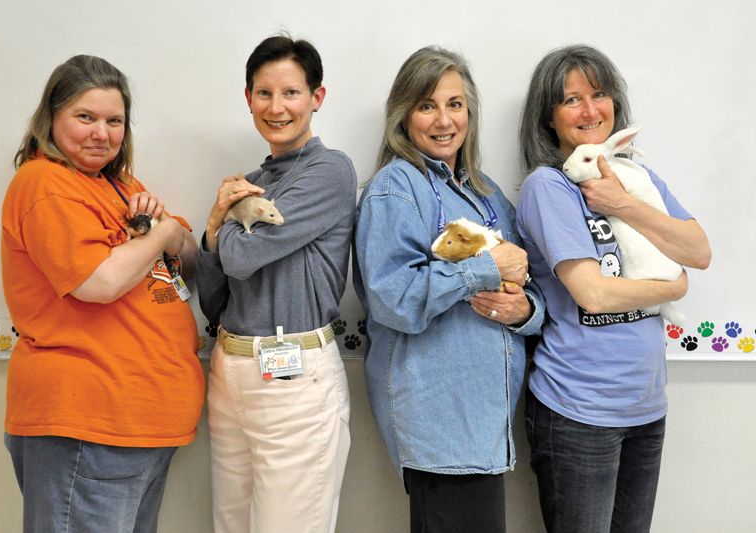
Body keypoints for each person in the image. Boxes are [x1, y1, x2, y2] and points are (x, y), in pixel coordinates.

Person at [1, 55, 204, 533]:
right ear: (52, 118)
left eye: (115, 121)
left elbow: (190, 264)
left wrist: (166, 235)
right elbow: (100, 282)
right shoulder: (45, 183)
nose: (102, 133)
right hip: (86, 421)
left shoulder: (117, 184)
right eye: (85, 117)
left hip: (139, 420)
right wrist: (161, 232)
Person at [516, 44, 712, 533]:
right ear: (549, 119)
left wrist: (624, 205)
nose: (589, 110)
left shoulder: (639, 178)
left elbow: (700, 252)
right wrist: (672, 286)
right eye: (571, 100)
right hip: (577, 410)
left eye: (598, 95)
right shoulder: (549, 187)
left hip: (647, 405)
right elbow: (594, 294)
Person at [353, 46, 545, 533]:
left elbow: (531, 289)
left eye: (455, 104)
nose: (444, 120)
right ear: (403, 116)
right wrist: (483, 269)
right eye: (426, 105)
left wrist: (524, 310)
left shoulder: (487, 194)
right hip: (440, 427)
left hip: (484, 427)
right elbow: (392, 299)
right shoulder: (396, 188)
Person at [196, 35, 356, 533]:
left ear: (316, 98)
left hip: (294, 378)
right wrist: (212, 228)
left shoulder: (329, 171)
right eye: (263, 94)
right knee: (231, 525)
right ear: (249, 99)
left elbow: (240, 259)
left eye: (290, 93)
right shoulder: (251, 180)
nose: (277, 107)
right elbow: (214, 296)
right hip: (230, 371)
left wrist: (224, 223)